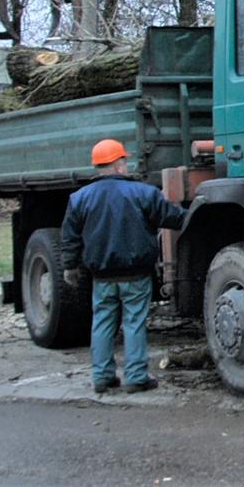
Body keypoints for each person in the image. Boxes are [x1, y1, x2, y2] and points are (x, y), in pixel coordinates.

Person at [61, 139, 186, 393]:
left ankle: (102, 377)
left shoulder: (79, 198)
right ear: (118, 164)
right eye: (124, 161)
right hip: (136, 274)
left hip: (102, 276)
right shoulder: (143, 193)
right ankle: (136, 377)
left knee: (103, 323)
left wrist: (69, 266)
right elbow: (172, 218)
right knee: (134, 323)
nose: (126, 166)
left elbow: (70, 237)